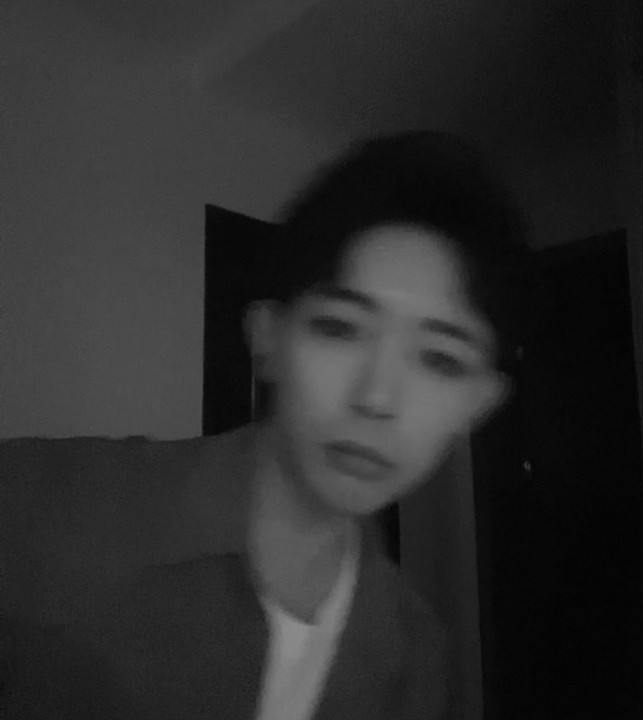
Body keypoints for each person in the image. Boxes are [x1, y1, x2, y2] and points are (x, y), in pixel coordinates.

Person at [0, 131, 531, 719]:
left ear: (478, 404)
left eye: (440, 360)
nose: (377, 398)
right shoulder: (36, 507)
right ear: (268, 338)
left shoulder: (416, 659)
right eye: (339, 328)